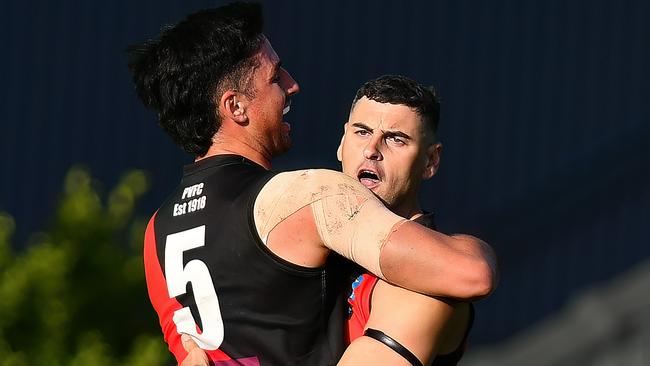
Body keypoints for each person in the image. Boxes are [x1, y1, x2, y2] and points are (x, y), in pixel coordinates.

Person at [128, 2, 497, 365]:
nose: (292, 85)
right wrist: (471, 246)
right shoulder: (308, 195)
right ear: (235, 107)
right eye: (276, 76)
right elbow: (470, 274)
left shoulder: (156, 231)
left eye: (395, 138)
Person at [337, 75, 475, 366]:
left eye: (395, 139)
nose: (371, 150)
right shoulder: (307, 237)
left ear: (430, 162)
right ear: (341, 143)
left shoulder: (432, 280)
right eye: (362, 132)